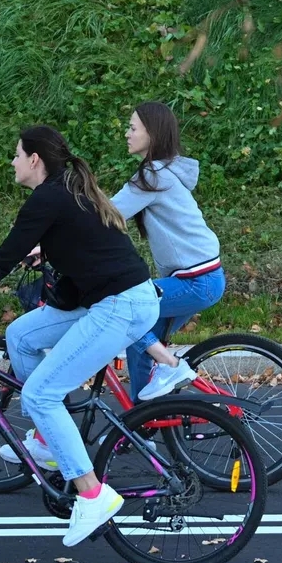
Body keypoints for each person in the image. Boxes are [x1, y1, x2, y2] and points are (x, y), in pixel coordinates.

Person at [0, 125, 158, 547]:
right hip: (109, 298)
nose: (11, 162)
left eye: (15, 155)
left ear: (34, 160)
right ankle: (50, 438)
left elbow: (1, 260)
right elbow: (74, 255)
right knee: (22, 335)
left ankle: (92, 494)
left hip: (121, 306)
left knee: (40, 395)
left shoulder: (49, 197)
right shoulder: (66, 188)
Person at [111, 101, 225, 401]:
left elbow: (106, 215)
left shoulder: (152, 176)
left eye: (133, 128)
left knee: (127, 310)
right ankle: (141, 423)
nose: (127, 133)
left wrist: (51, 239)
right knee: (141, 344)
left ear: (152, 133)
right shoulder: (162, 173)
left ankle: (171, 365)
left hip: (194, 282)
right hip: (205, 278)